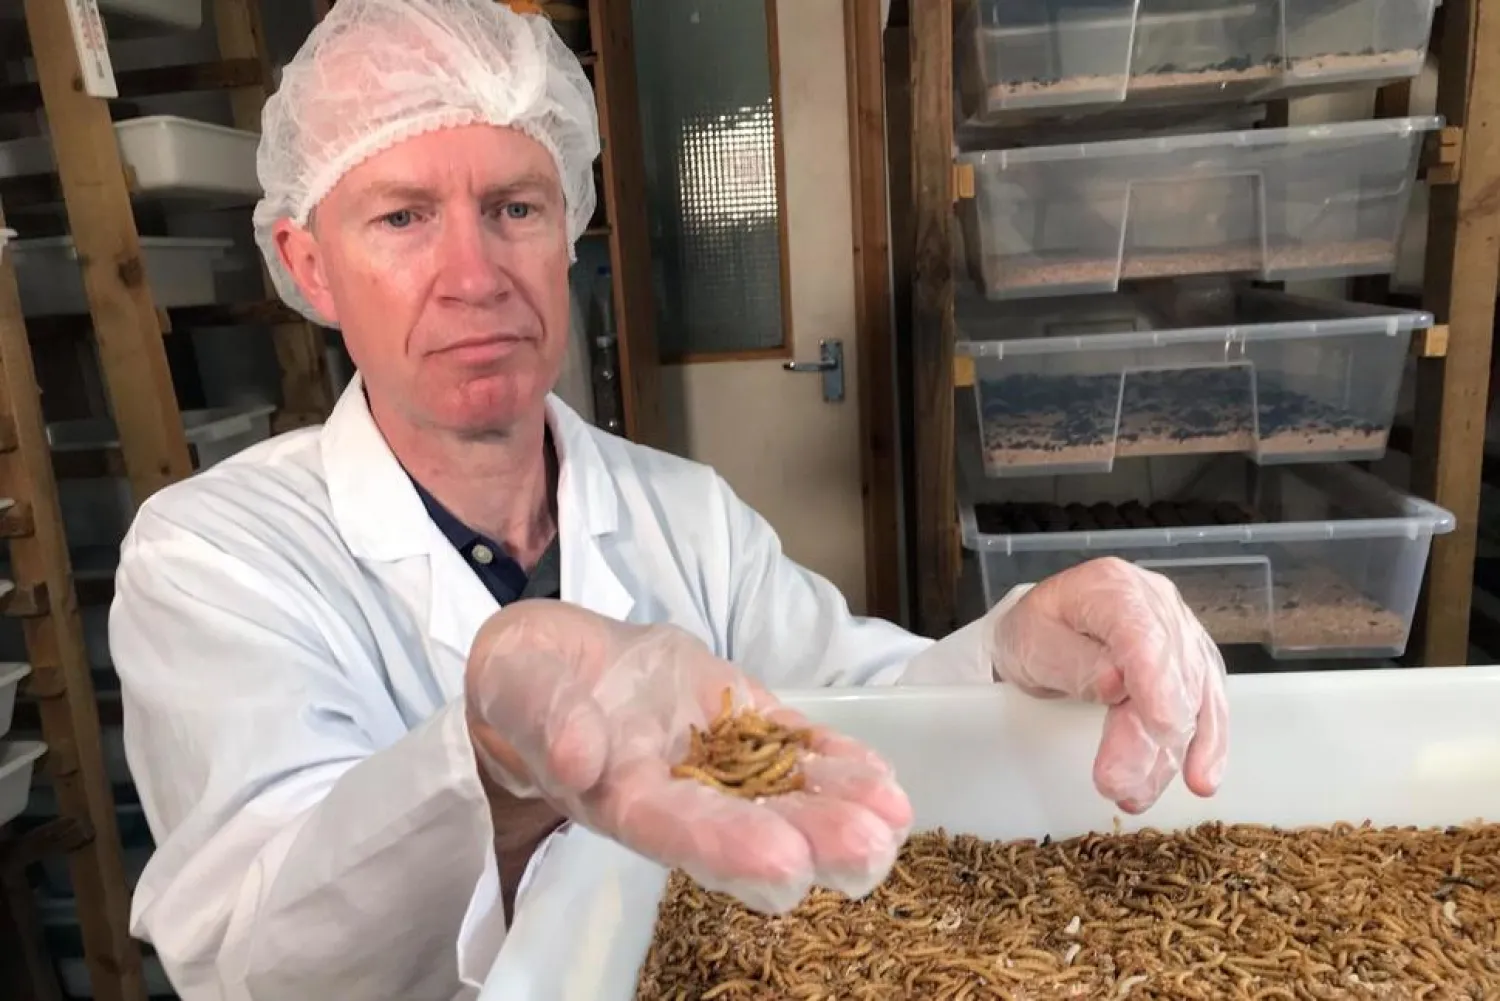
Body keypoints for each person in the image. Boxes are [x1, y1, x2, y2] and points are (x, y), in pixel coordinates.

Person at [107, 1, 1229, 998]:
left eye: (514, 207)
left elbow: (843, 710)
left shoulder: (682, 510)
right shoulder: (218, 555)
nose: (474, 273)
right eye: (402, 217)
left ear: (570, 228)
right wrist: (496, 763)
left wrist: (1010, 648)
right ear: (309, 265)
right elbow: (258, 958)